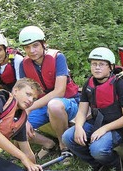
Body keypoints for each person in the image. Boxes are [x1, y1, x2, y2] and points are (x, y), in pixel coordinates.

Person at [62, 47, 123, 171]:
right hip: (98, 123)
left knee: (98, 149)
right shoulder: (89, 84)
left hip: (119, 128)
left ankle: (114, 162)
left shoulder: (120, 85)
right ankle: (97, 163)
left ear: (110, 67)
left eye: (101, 64)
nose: (97, 67)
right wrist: (79, 127)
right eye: (94, 64)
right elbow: (82, 111)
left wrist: (104, 129)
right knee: (68, 137)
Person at [18, 25, 80, 158]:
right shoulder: (23, 64)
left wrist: (29, 109)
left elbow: (59, 91)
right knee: (14, 124)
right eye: (27, 47)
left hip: (68, 102)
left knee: (54, 105)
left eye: (35, 45)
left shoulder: (58, 58)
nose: (32, 50)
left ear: (43, 44)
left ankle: (64, 147)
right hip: (42, 104)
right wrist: (24, 116)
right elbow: (24, 94)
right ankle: (49, 144)